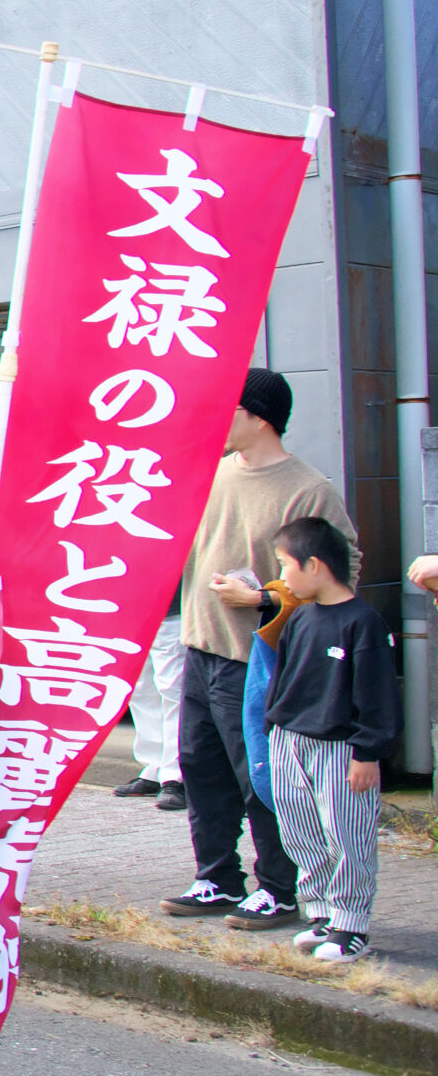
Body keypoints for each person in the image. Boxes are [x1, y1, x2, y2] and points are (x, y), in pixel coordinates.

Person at [162, 369, 358, 931]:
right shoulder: (214, 472)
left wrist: (264, 598)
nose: (216, 418)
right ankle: (218, 877)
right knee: (202, 770)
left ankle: (279, 887)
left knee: (263, 779)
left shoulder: (309, 489)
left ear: (258, 416)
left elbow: (343, 570)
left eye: (227, 407)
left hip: (259, 661)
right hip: (200, 645)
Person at [263, 517, 396, 965]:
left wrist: (368, 751)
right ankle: (322, 911)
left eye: (285, 565)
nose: (281, 577)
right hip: (290, 739)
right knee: (298, 828)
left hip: (341, 747)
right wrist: (273, 727)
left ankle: (351, 924)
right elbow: (283, 678)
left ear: (315, 565)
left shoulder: (363, 622)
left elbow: (377, 694)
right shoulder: (300, 617)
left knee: (347, 834)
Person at [113, 589, 186, 808]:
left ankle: (175, 776)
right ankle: (155, 766)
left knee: (173, 692)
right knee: (140, 690)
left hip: (172, 606)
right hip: (130, 604)